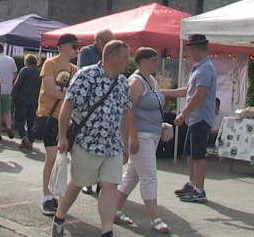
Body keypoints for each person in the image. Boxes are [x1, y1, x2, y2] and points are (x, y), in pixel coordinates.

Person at [51, 39, 133, 237]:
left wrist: (124, 144)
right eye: (125, 57)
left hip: (112, 145)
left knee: (110, 186)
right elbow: (68, 105)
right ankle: (60, 216)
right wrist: (62, 136)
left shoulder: (122, 81)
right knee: (78, 183)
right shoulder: (86, 75)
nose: (128, 62)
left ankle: (107, 231)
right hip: (87, 143)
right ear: (112, 57)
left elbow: (125, 113)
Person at [115, 47, 171, 233]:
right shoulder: (136, 82)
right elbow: (128, 109)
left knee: (132, 176)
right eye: (154, 60)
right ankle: (155, 217)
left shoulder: (151, 80)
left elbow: (159, 97)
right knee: (148, 175)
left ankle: (113, 209)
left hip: (152, 134)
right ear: (143, 61)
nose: (156, 62)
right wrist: (132, 137)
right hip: (142, 135)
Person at [172, 34, 218, 204]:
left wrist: (182, 114)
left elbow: (198, 96)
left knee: (198, 155)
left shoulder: (205, 69)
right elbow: (189, 91)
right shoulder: (199, 67)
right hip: (194, 118)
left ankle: (200, 190)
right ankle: (192, 184)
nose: (189, 52)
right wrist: (167, 93)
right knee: (190, 154)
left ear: (197, 49)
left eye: (190, 49)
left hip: (200, 118)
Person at [37, 34, 79, 216]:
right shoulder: (50, 64)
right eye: (73, 46)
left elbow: (74, 93)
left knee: (61, 160)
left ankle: (56, 193)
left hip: (65, 118)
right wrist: (67, 94)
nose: (76, 50)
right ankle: (47, 195)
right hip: (49, 115)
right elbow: (49, 88)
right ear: (62, 46)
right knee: (52, 157)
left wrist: (64, 92)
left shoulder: (74, 69)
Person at [77, 28, 114, 194]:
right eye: (107, 43)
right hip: (90, 106)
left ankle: (101, 181)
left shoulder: (110, 53)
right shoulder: (86, 52)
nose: (109, 47)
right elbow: (86, 73)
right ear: (97, 41)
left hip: (107, 106)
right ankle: (87, 182)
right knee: (88, 149)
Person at [11, 53, 41, 151]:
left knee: (18, 120)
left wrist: (13, 95)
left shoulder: (25, 70)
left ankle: (24, 138)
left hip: (22, 99)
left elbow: (18, 84)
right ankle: (30, 141)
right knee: (31, 122)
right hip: (34, 100)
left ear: (26, 62)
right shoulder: (39, 72)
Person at [0, 42, 18, 141]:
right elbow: (14, 74)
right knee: (7, 110)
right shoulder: (11, 60)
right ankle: (9, 126)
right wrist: (10, 80)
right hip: (8, 88)